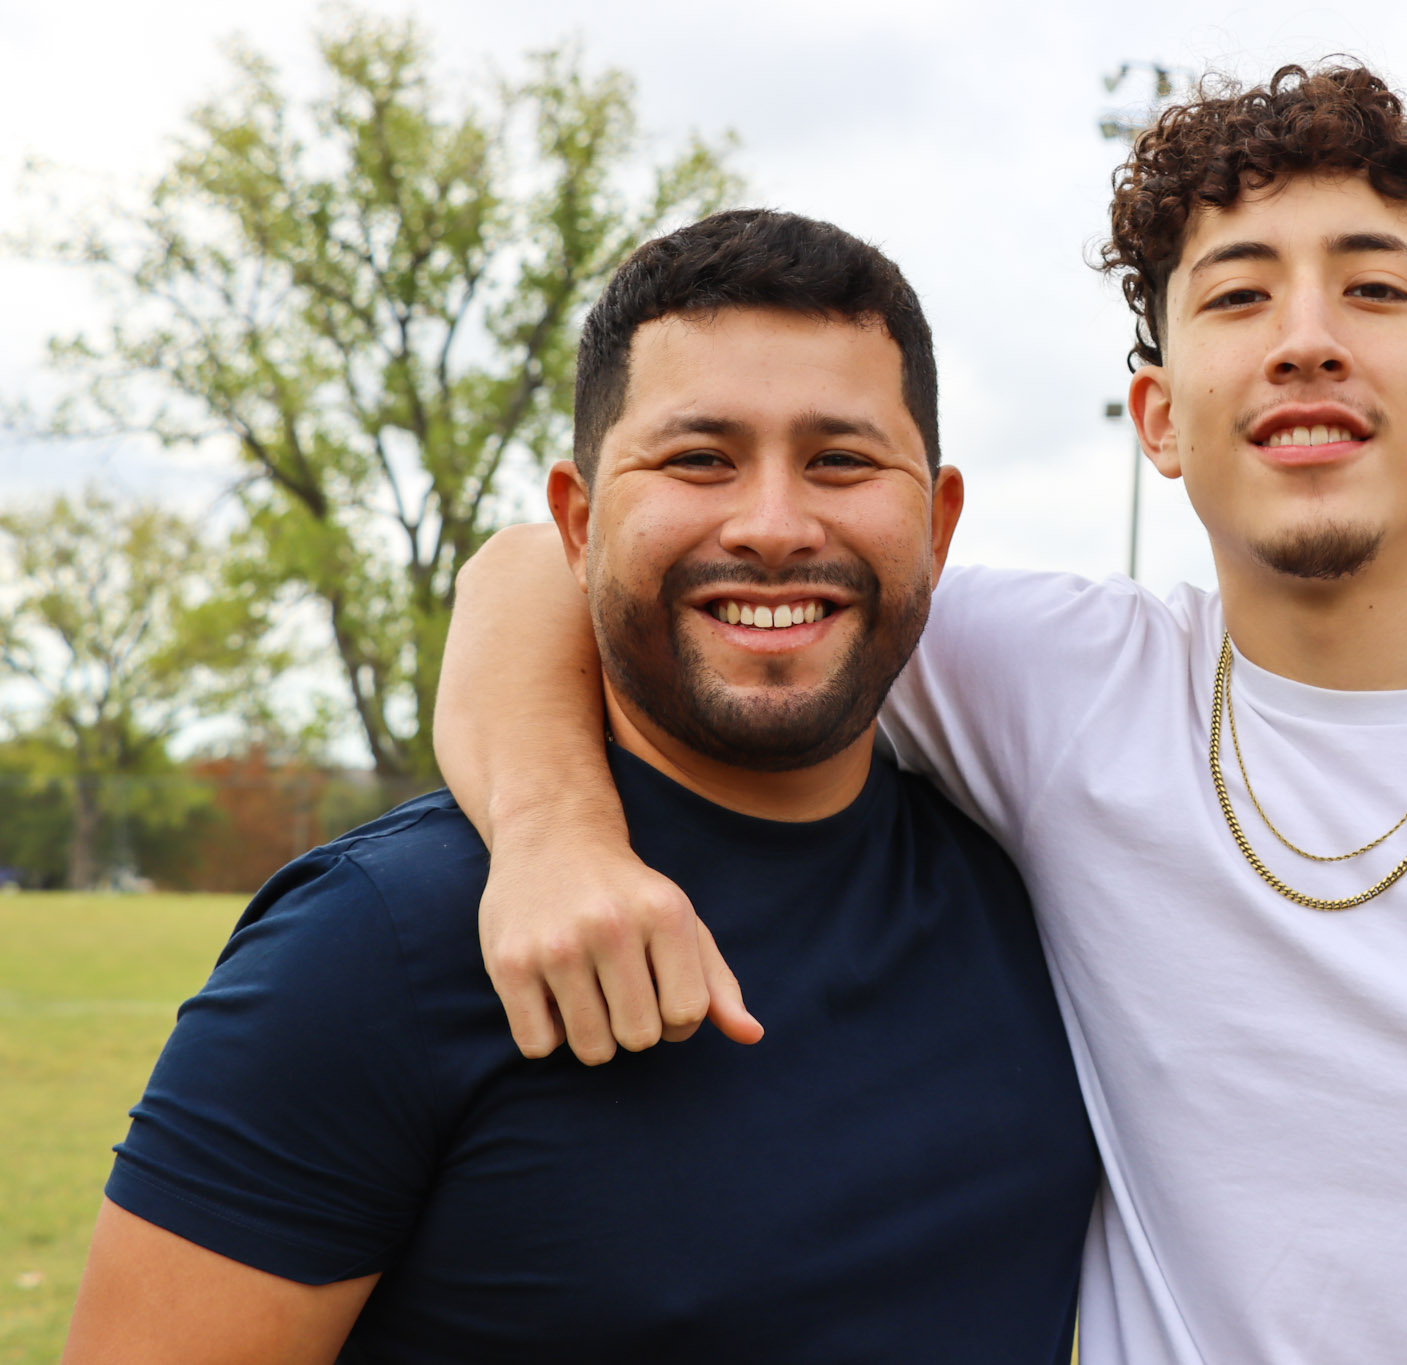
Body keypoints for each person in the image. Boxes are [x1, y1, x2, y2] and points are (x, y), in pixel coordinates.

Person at [439, 63, 1407, 1363]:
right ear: (1162, 418)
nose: (1307, 334)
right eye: (1239, 296)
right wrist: (557, 835)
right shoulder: (1045, 686)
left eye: (1377, 288)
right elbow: (538, 565)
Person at [63, 210, 1103, 1363]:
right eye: (699, 459)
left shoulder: (1042, 900)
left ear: (938, 520)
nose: (770, 525)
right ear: (576, 518)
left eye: (841, 461)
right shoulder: (375, 946)